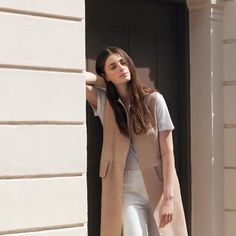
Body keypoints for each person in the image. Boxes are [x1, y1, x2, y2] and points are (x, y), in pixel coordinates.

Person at [86, 47, 188, 236]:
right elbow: (75, 78)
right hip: (126, 189)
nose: (121, 68)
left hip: (158, 187)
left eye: (123, 63)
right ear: (105, 74)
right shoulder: (106, 104)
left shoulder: (155, 100)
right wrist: (107, 83)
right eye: (113, 66)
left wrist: (169, 198)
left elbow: (167, 153)